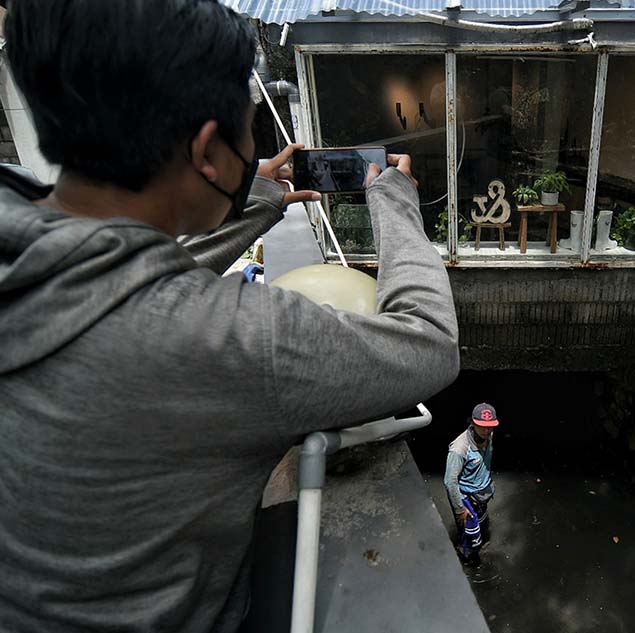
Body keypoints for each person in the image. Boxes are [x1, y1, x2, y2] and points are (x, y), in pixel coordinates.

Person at [0, 2, 459, 632]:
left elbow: (115, 266)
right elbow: (429, 340)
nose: (256, 151)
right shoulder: (234, 340)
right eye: (247, 133)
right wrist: (395, 201)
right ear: (207, 151)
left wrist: (250, 201)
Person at [444, 403, 499, 566]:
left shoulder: (488, 435)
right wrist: (460, 509)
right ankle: (466, 555)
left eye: (490, 427)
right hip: (467, 498)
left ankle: (474, 541)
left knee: (482, 523)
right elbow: (449, 481)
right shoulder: (459, 449)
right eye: (482, 427)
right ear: (473, 423)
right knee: (470, 534)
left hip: (482, 493)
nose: (487, 431)